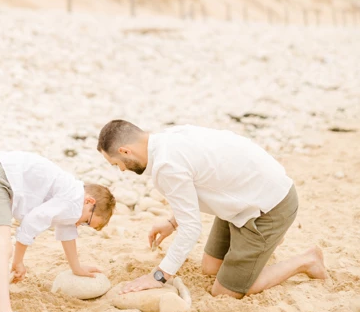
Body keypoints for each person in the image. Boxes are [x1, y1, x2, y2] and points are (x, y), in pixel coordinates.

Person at [97, 120, 326, 298]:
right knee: (211, 268)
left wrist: (160, 276)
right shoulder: (167, 138)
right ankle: (263, 246)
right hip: (242, 199)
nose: (122, 170)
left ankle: (306, 261)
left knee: (226, 292)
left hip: (269, 207)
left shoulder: (166, 166)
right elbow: (197, 183)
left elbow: (192, 227)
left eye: (117, 164)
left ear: (126, 151)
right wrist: (171, 222)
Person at [0, 150, 115, 312]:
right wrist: (18, 261)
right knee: (3, 246)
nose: (80, 224)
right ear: (89, 202)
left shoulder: (71, 194)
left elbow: (67, 230)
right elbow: (32, 221)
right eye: (86, 221)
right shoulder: (74, 198)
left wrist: (76, 268)